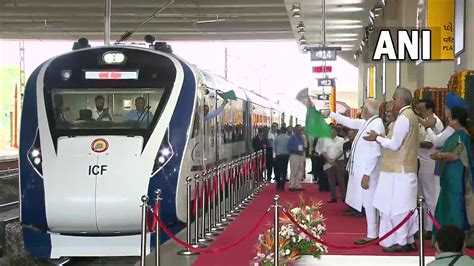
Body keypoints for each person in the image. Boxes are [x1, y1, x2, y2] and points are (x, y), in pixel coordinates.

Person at [364, 87, 419, 252]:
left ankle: (401, 241)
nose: (393, 102)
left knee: (398, 208)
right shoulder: (411, 116)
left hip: (399, 171)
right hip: (402, 170)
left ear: (401, 100)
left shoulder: (404, 117)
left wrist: (378, 138)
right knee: (403, 206)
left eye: (394, 99)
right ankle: (407, 239)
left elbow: (395, 144)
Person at [323, 98, 385, 244]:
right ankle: (373, 232)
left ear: (368, 110)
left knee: (369, 202)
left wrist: (367, 174)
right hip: (363, 171)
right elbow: (349, 122)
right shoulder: (367, 123)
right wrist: (330, 113)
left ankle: (372, 233)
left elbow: (375, 152)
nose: (361, 110)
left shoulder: (376, 124)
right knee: (366, 202)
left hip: (368, 172)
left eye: (363, 107)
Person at [430, 106, 474, 244]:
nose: (447, 120)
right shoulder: (463, 134)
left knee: (454, 207)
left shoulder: (460, 136)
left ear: (455, 120)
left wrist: (439, 155)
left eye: (449, 118)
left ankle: (452, 241)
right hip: (454, 176)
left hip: (456, 178)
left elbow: (456, 155)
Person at [415, 99, 444, 239]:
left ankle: (431, 228)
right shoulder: (423, 121)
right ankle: (423, 227)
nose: (420, 112)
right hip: (420, 163)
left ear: (430, 109)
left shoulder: (435, 122)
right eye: (418, 109)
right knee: (421, 198)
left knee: (431, 197)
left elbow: (429, 144)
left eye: (422, 109)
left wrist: (412, 142)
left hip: (430, 164)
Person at [321, 125, 346, 202]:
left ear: (336, 132)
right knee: (331, 180)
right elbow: (324, 151)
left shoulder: (341, 140)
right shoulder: (326, 139)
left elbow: (342, 151)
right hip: (329, 161)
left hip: (339, 161)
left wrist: (334, 160)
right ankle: (333, 197)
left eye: (333, 131)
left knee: (341, 180)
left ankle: (344, 197)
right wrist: (329, 160)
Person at [287, 124, 306, 191]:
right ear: (295, 130)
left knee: (300, 170)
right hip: (294, 155)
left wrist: (302, 150)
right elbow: (289, 147)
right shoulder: (292, 137)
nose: (301, 131)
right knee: (294, 170)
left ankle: (297, 185)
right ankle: (292, 185)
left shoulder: (301, 137)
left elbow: (303, 146)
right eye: (299, 129)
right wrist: (296, 151)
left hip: (300, 155)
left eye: (301, 129)